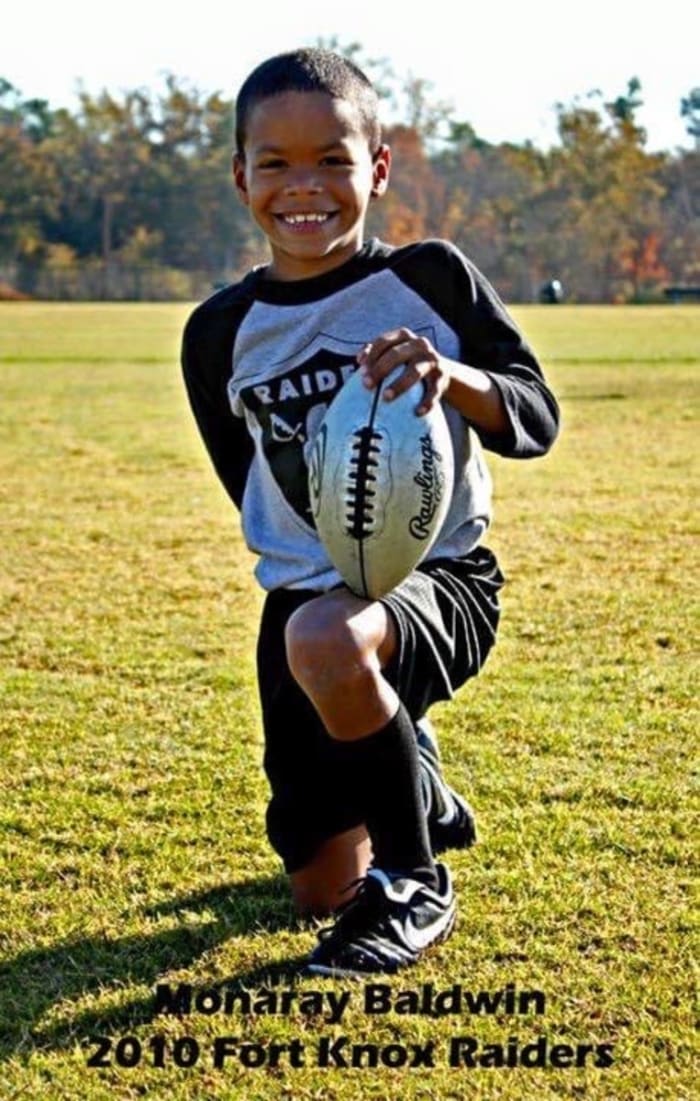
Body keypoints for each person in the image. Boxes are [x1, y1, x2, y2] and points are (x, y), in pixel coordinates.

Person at [181, 48, 559, 977]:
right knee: (315, 888)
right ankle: (409, 774)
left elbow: (535, 419)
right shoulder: (220, 333)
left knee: (327, 638)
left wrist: (454, 374)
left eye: (333, 160)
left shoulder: (431, 280)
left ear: (378, 168)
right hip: (310, 606)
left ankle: (413, 883)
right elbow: (257, 493)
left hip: (441, 579)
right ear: (241, 176)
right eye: (275, 163)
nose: (303, 187)